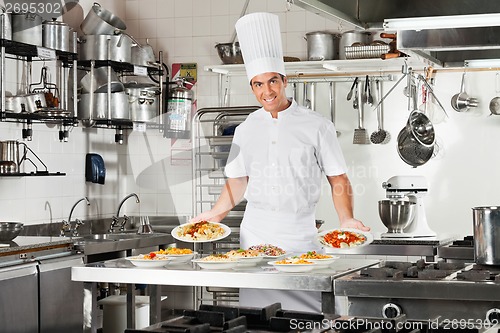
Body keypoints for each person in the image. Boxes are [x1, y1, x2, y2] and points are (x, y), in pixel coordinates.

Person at [192, 12, 370, 312]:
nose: (267, 91)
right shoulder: (246, 128)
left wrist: (346, 220)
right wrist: (215, 214)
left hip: (299, 234)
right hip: (255, 235)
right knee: (259, 317)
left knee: (306, 315)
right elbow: (237, 181)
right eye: (258, 84)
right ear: (252, 87)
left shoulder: (316, 125)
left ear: (285, 80)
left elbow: (337, 179)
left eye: (272, 81)